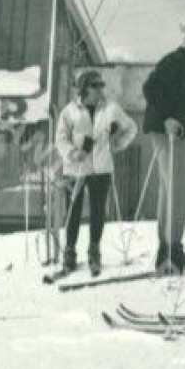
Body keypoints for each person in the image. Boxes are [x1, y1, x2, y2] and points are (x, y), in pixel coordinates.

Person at [54, 69, 139, 275]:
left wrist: (116, 144)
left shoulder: (112, 109)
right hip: (75, 170)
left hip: (101, 168)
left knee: (98, 211)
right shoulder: (70, 111)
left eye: (102, 85)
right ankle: (70, 252)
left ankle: (94, 252)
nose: (100, 90)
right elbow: (60, 138)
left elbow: (132, 128)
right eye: (95, 86)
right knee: (73, 211)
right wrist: (73, 153)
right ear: (84, 89)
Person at [142, 26, 185, 273]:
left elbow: (168, 90)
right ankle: (174, 252)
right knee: (179, 190)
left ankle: (166, 251)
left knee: (170, 189)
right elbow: (150, 87)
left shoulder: (182, 64)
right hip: (168, 133)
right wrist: (167, 118)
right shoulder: (176, 61)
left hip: (170, 133)